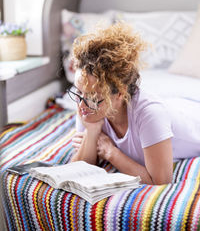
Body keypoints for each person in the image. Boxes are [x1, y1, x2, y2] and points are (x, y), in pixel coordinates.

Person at [68, 22, 200, 185]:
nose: (81, 106)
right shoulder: (88, 105)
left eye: (93, 98)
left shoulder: (150, 115)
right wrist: (92, 130)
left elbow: (160, 181)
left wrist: (111, 153)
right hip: (175, 105)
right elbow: (78, 169)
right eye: (79, 92)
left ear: (120, 93)